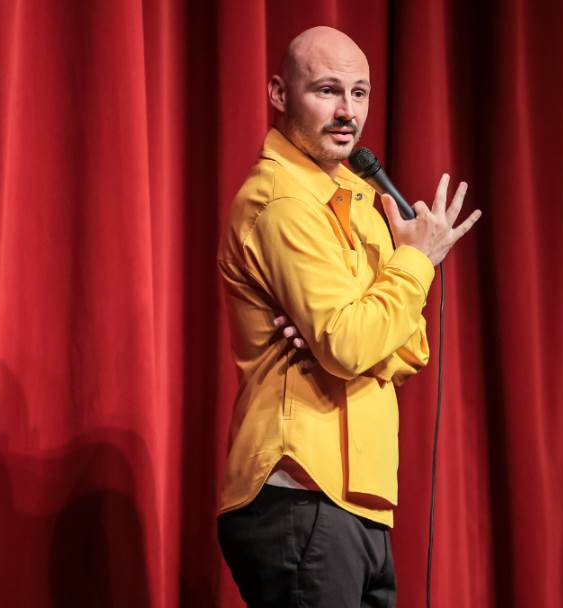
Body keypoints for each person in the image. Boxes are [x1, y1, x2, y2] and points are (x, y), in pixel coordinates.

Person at [216, 25, 482, 607]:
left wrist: (354, 330)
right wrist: (414, 263)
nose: (347, 112)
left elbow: (410, 348)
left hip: (358, 502)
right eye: (327, 90)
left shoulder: (361, 202)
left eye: (359, 93)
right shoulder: (283, 201)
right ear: (279, 93)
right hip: (301, 492)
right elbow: (353, 343)